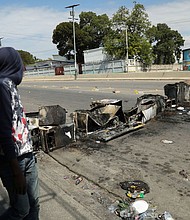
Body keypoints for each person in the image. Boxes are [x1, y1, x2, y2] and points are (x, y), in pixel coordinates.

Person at [0, 47, 40, 220]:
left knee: (34, 204)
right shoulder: (1, 87)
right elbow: (3, 132)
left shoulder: (10, 85)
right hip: (13, 161)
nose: (23, 68)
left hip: (27, 155)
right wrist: (16, 170)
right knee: (20, 209)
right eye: (19, 63)